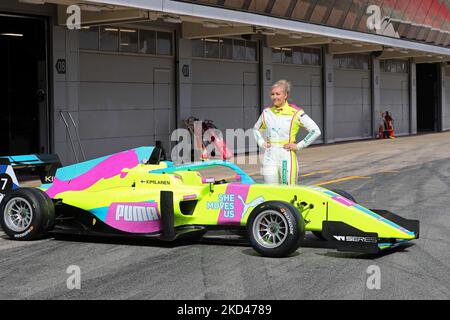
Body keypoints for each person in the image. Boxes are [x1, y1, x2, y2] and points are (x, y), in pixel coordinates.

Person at [253, 80, 321, 185]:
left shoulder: (296, 113)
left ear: (285, 95)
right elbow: (255, 129)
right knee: (271, 192)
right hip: (269, 157)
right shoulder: (266, 112)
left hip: (286, 157)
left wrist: (299, 146)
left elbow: (315, 131)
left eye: (277, 94)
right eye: (272, 94)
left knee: (288, 192)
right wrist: (261, 143)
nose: (274, 97)